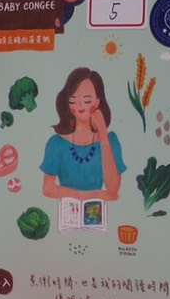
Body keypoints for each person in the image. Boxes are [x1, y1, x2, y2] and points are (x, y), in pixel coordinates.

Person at [40, 67, 125, 201]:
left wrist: (103, 133)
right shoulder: (56, 143)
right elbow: (48, 188)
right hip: (67, 210)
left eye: (86, 100)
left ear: (97, 101)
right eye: (73, 100)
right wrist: (87, 196)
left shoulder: (111, 140)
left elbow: (113, 189)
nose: (79, 105)